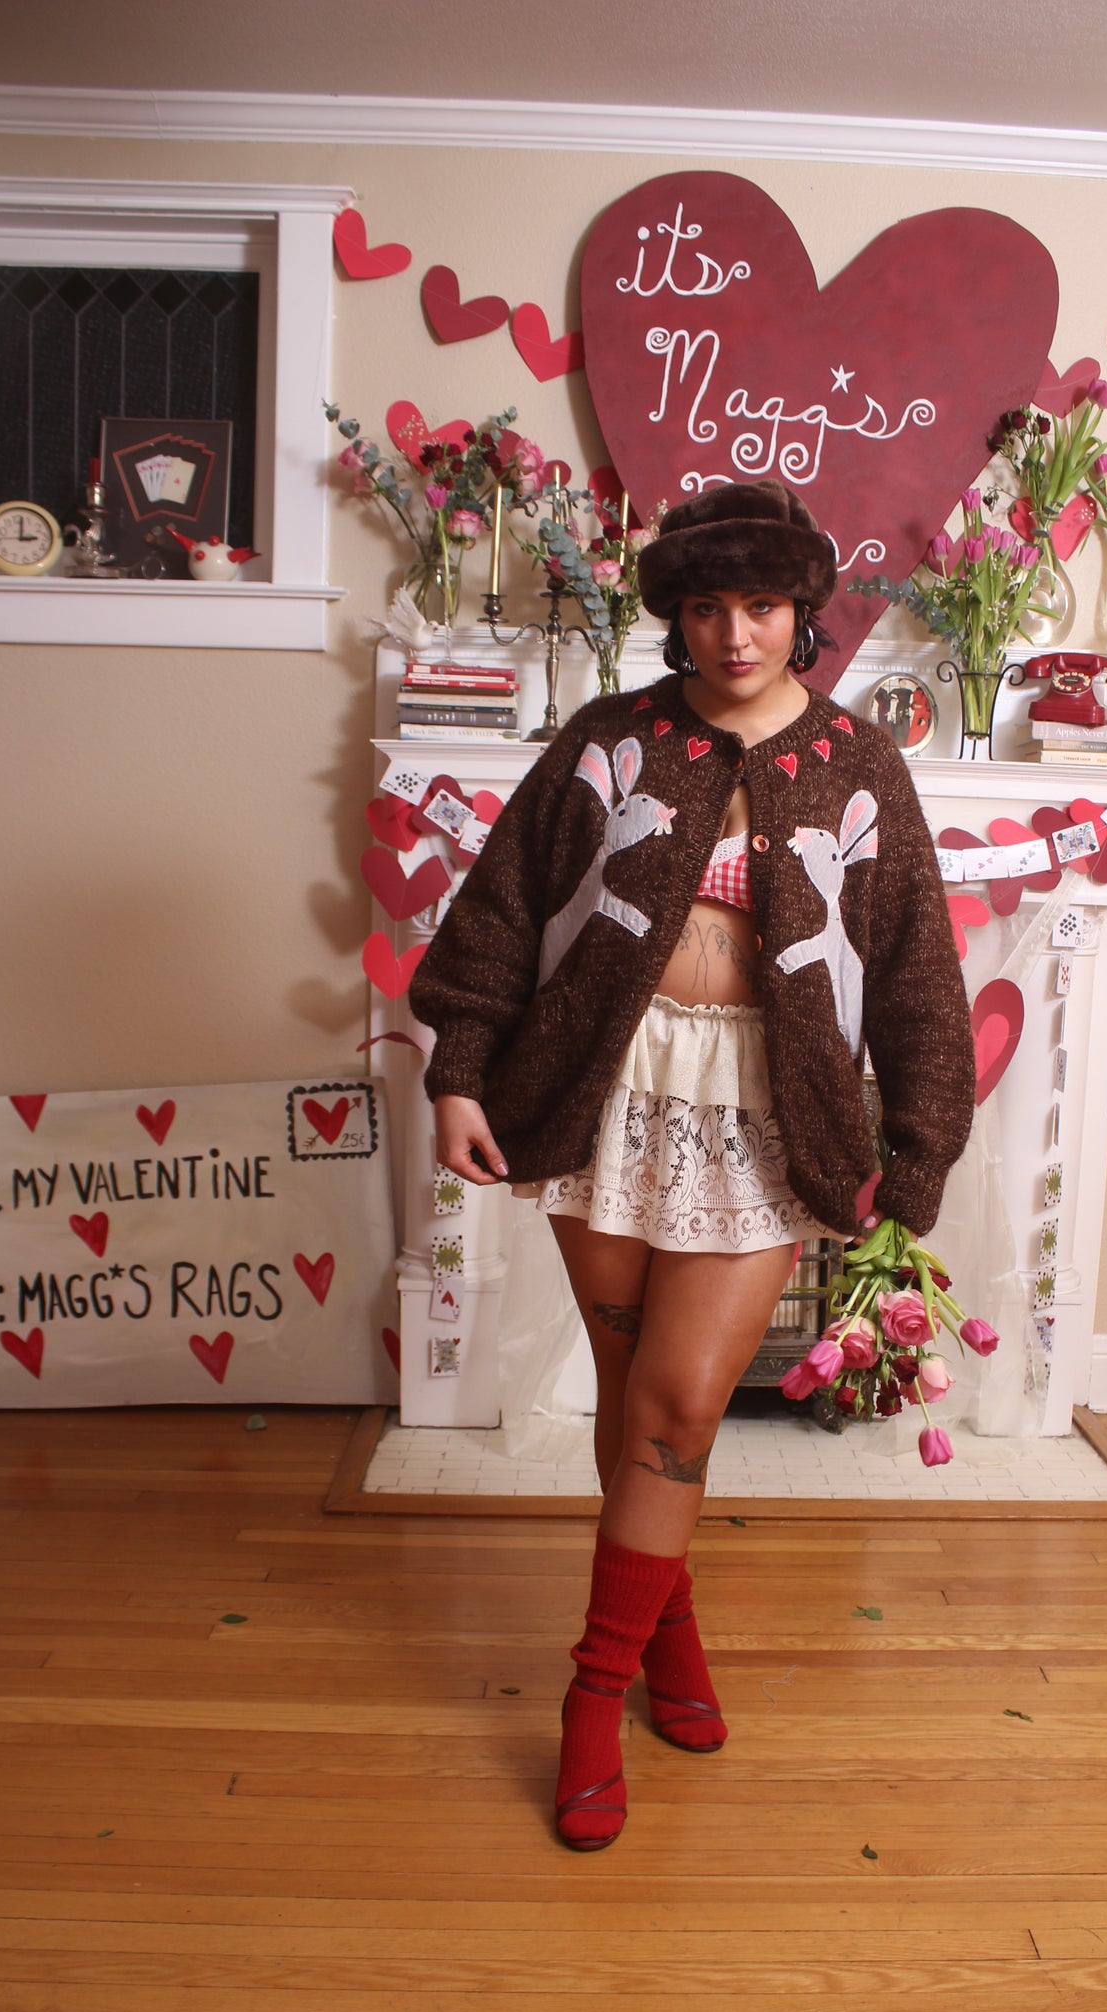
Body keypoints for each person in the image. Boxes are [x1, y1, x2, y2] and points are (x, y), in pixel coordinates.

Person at [409, 479, 975, 1850]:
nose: (735, 635)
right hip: (606, 1090)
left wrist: (915, 1156)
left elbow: (914, 968)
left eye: (763, 606)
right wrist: (459, 1071)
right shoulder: (610, 739)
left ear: (802, 613)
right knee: (631, 1395)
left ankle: (590, 1697)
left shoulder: (857, 762)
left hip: (767, 1114)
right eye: (709, 607)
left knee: (674, 1406)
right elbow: (502, 906)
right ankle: (669, 1643)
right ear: (677, 613)